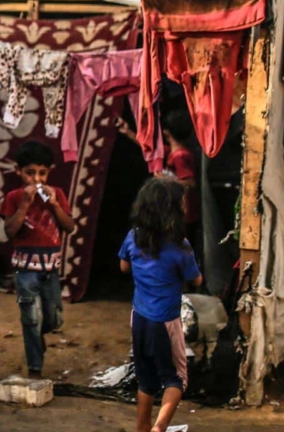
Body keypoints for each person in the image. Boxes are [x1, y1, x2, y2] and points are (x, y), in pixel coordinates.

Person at [119, 177, 203, 432]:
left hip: (140, 318)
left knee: (146, 379)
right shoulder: (180, 247)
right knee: (176, 379)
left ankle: (143, 428)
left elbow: (124, 267)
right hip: (166, 321)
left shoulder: (134, 237)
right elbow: (197, 280)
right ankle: (159, 428)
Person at [0, 141, 75, 378]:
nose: (36, 179)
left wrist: (55, 206)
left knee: (52, 318)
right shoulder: (13, 197)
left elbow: (69, 226)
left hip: (51, 269)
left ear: (49, 172)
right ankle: (35, 368)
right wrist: (24, 204)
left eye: (42, 173)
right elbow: (9, 231)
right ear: (18, 171)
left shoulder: (57, 194)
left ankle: (40, 333)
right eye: (30, 173)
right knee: (30, 317)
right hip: (25, 270)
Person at [161, 109, 202, 257]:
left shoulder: (180, 156)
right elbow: (152, 150)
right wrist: (127, 132)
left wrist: (165, 180)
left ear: (166, 133)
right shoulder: (174, 152)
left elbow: (190, 183)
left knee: (180, 251)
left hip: (185, 213)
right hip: (180, 212)